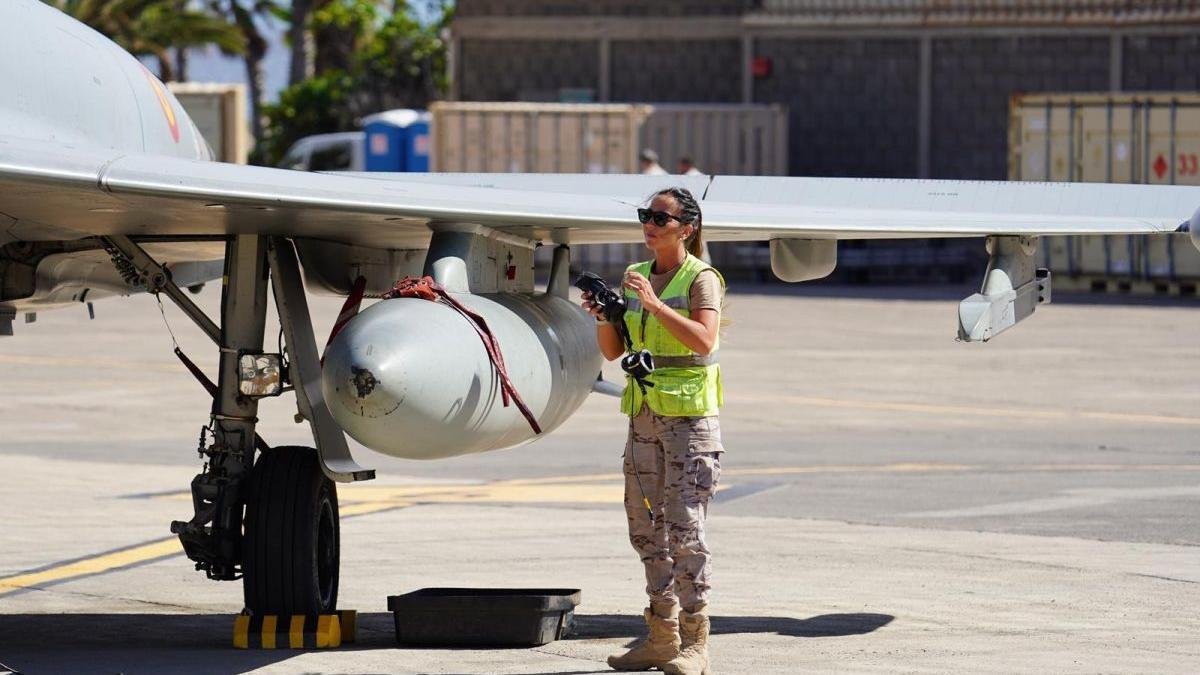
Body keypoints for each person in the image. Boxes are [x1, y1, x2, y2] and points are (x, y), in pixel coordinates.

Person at [582, 187, 724, 675]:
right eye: (646, 215)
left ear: (687, 228)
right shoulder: (636, 274)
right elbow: (612, 351)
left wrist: (654, 304)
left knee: (685, 529)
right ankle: (661, 636)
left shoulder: (701, 278)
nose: (649, 224)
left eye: (660, 218)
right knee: (645, 528)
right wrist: (606, 316)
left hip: (688, 420)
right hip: (643, 413)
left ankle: (696, 643)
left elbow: (705, 339)